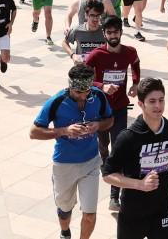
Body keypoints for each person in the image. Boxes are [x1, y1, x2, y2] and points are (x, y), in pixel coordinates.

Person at [30, 64, 113, 239]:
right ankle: (65, 232)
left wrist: (98, 125)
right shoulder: (56, 102)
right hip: (64, 164)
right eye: (77, 92)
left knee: (90, 214)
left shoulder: (98, 96)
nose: (82, 96)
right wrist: (64, 131)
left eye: (86, 92)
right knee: (65, 209)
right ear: (70, 86)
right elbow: (34, 132)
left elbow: (110, 119)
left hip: (91, 162)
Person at [101, 77, 168, 239]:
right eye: (152, 101)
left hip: (162, 207)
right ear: (140, 104)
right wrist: (140, 184)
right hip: (133, 211)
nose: (158, 106)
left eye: (161, 100)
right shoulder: (128, 137)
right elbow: (107, 175)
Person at [85, 15, 141, 210]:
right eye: (109, 32)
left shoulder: (128, 51)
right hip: (100, 109)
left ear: (121, 33)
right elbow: (82, 76)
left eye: (116, 32)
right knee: (103, 146)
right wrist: (101, 85)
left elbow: (135, 62)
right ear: (104, 34)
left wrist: (135, 83)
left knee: (119, 148)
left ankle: (114, 195)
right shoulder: (96, 55)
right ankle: (104, 163)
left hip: (119, 108)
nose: (113, 35)